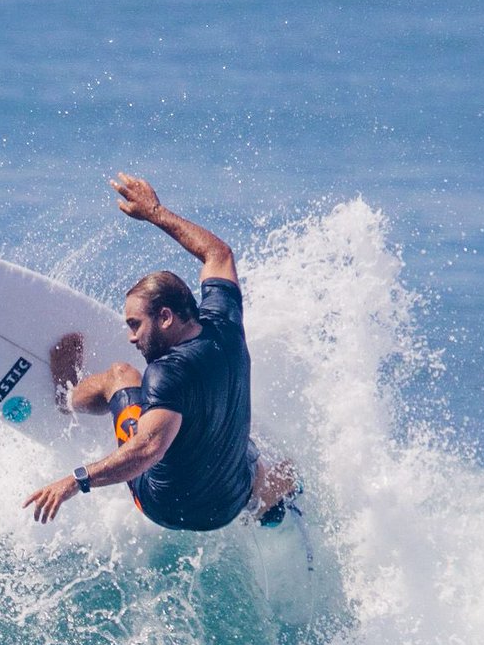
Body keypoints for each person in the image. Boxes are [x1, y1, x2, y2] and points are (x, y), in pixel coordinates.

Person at [22, 173, 297, 529]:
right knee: (256, 452)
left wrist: (76, 480)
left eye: (135, 324)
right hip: (231, 500)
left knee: (121, 374)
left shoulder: (166, 374)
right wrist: (155, 211)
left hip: (168, 506)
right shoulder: (225, 322)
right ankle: (268, 509)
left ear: (165, 317)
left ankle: (68, 395)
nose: (131, 337)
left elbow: (146, 451)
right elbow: (218, 253)